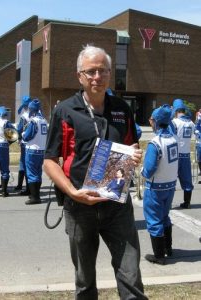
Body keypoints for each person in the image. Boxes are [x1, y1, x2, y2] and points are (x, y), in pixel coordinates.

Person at [44, 45, 147, 300]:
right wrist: (72, 192)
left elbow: (131, 146)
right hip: (79, 205)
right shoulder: (65, 110)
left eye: (102, 71)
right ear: (80, 75)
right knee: (84, 280)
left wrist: (134, 154)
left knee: (131, 275)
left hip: (116, 206)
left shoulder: (122, 109)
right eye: (90, 71)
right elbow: (49, 161)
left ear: (110, 74)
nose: (97, 77)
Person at [141, 104, 178, 265]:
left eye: (151, 119)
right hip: (170, 186)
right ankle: (168, 248)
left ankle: (159, 255)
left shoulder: (155, 143)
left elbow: (148, 170)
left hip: (155, 188)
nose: (150, 121)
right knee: (165, 217)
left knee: (154, 219)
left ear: (155, 121)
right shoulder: (173, 139)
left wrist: (141, 171)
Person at [22, 99, 48, 205]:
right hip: (41, 150)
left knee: (32, 174)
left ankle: (35, 197)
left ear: (32, 109)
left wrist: (23, 134)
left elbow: (28, 136)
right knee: (38, 173)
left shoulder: (33, 121)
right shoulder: (44, 120)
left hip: (32, 150)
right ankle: (35, 194)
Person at [171, 99, 195, 208]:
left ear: (175, 110)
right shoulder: (191, 123)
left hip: (175, 155)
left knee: (171, 178)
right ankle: (187, 202)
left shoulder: (175, 122)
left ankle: (168, 203)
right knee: (187, 178)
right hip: (186, 154)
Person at [16, 95, 32, 194]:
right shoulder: (37, 114)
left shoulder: (24, 116)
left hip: (24, 143)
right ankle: (26, 186)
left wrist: (18, 138)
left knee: (23, 164)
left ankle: (22, 186)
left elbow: (19, 129)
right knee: (29, 165)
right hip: (34, 143)